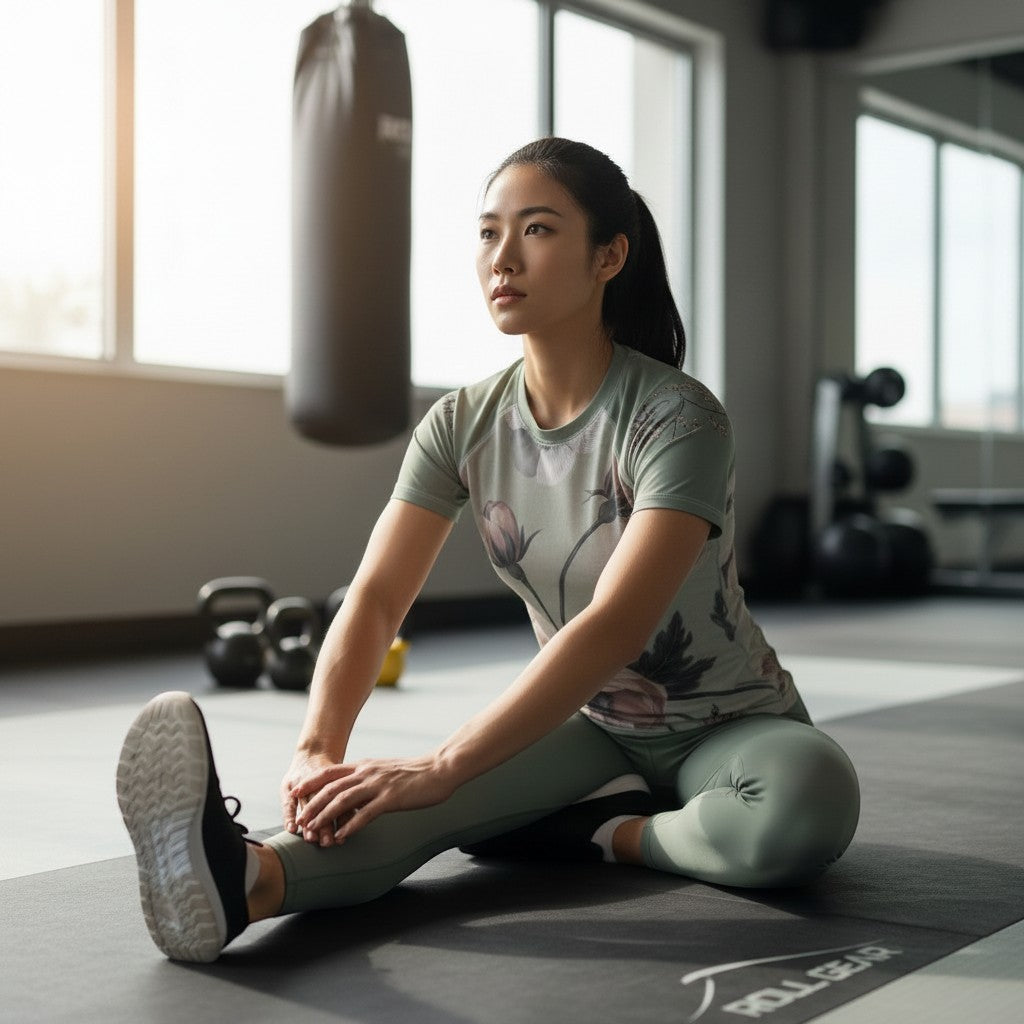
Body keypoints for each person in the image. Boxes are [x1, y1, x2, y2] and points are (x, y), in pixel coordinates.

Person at [116, 137, 860, 964]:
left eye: (537, 230)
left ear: (608, 256)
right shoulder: (462, 422)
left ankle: (599, 833)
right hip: (591, 723)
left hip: (731, 723)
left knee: (804, 808)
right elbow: (375, 599)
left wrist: (445, 763)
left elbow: (615, 622)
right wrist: (318, 747)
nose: (502, 258)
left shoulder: (679, 418)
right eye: (487, 233)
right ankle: (243, 880)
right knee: (401, 801)